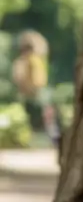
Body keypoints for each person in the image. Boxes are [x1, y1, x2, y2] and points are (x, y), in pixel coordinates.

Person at [8, 31, 55, 162]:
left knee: (37, 121)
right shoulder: (33, 60)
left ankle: (39, 142)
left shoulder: (30, 60)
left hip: (33, 95)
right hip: (35, 95)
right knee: (40, 121)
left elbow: (33, 80)